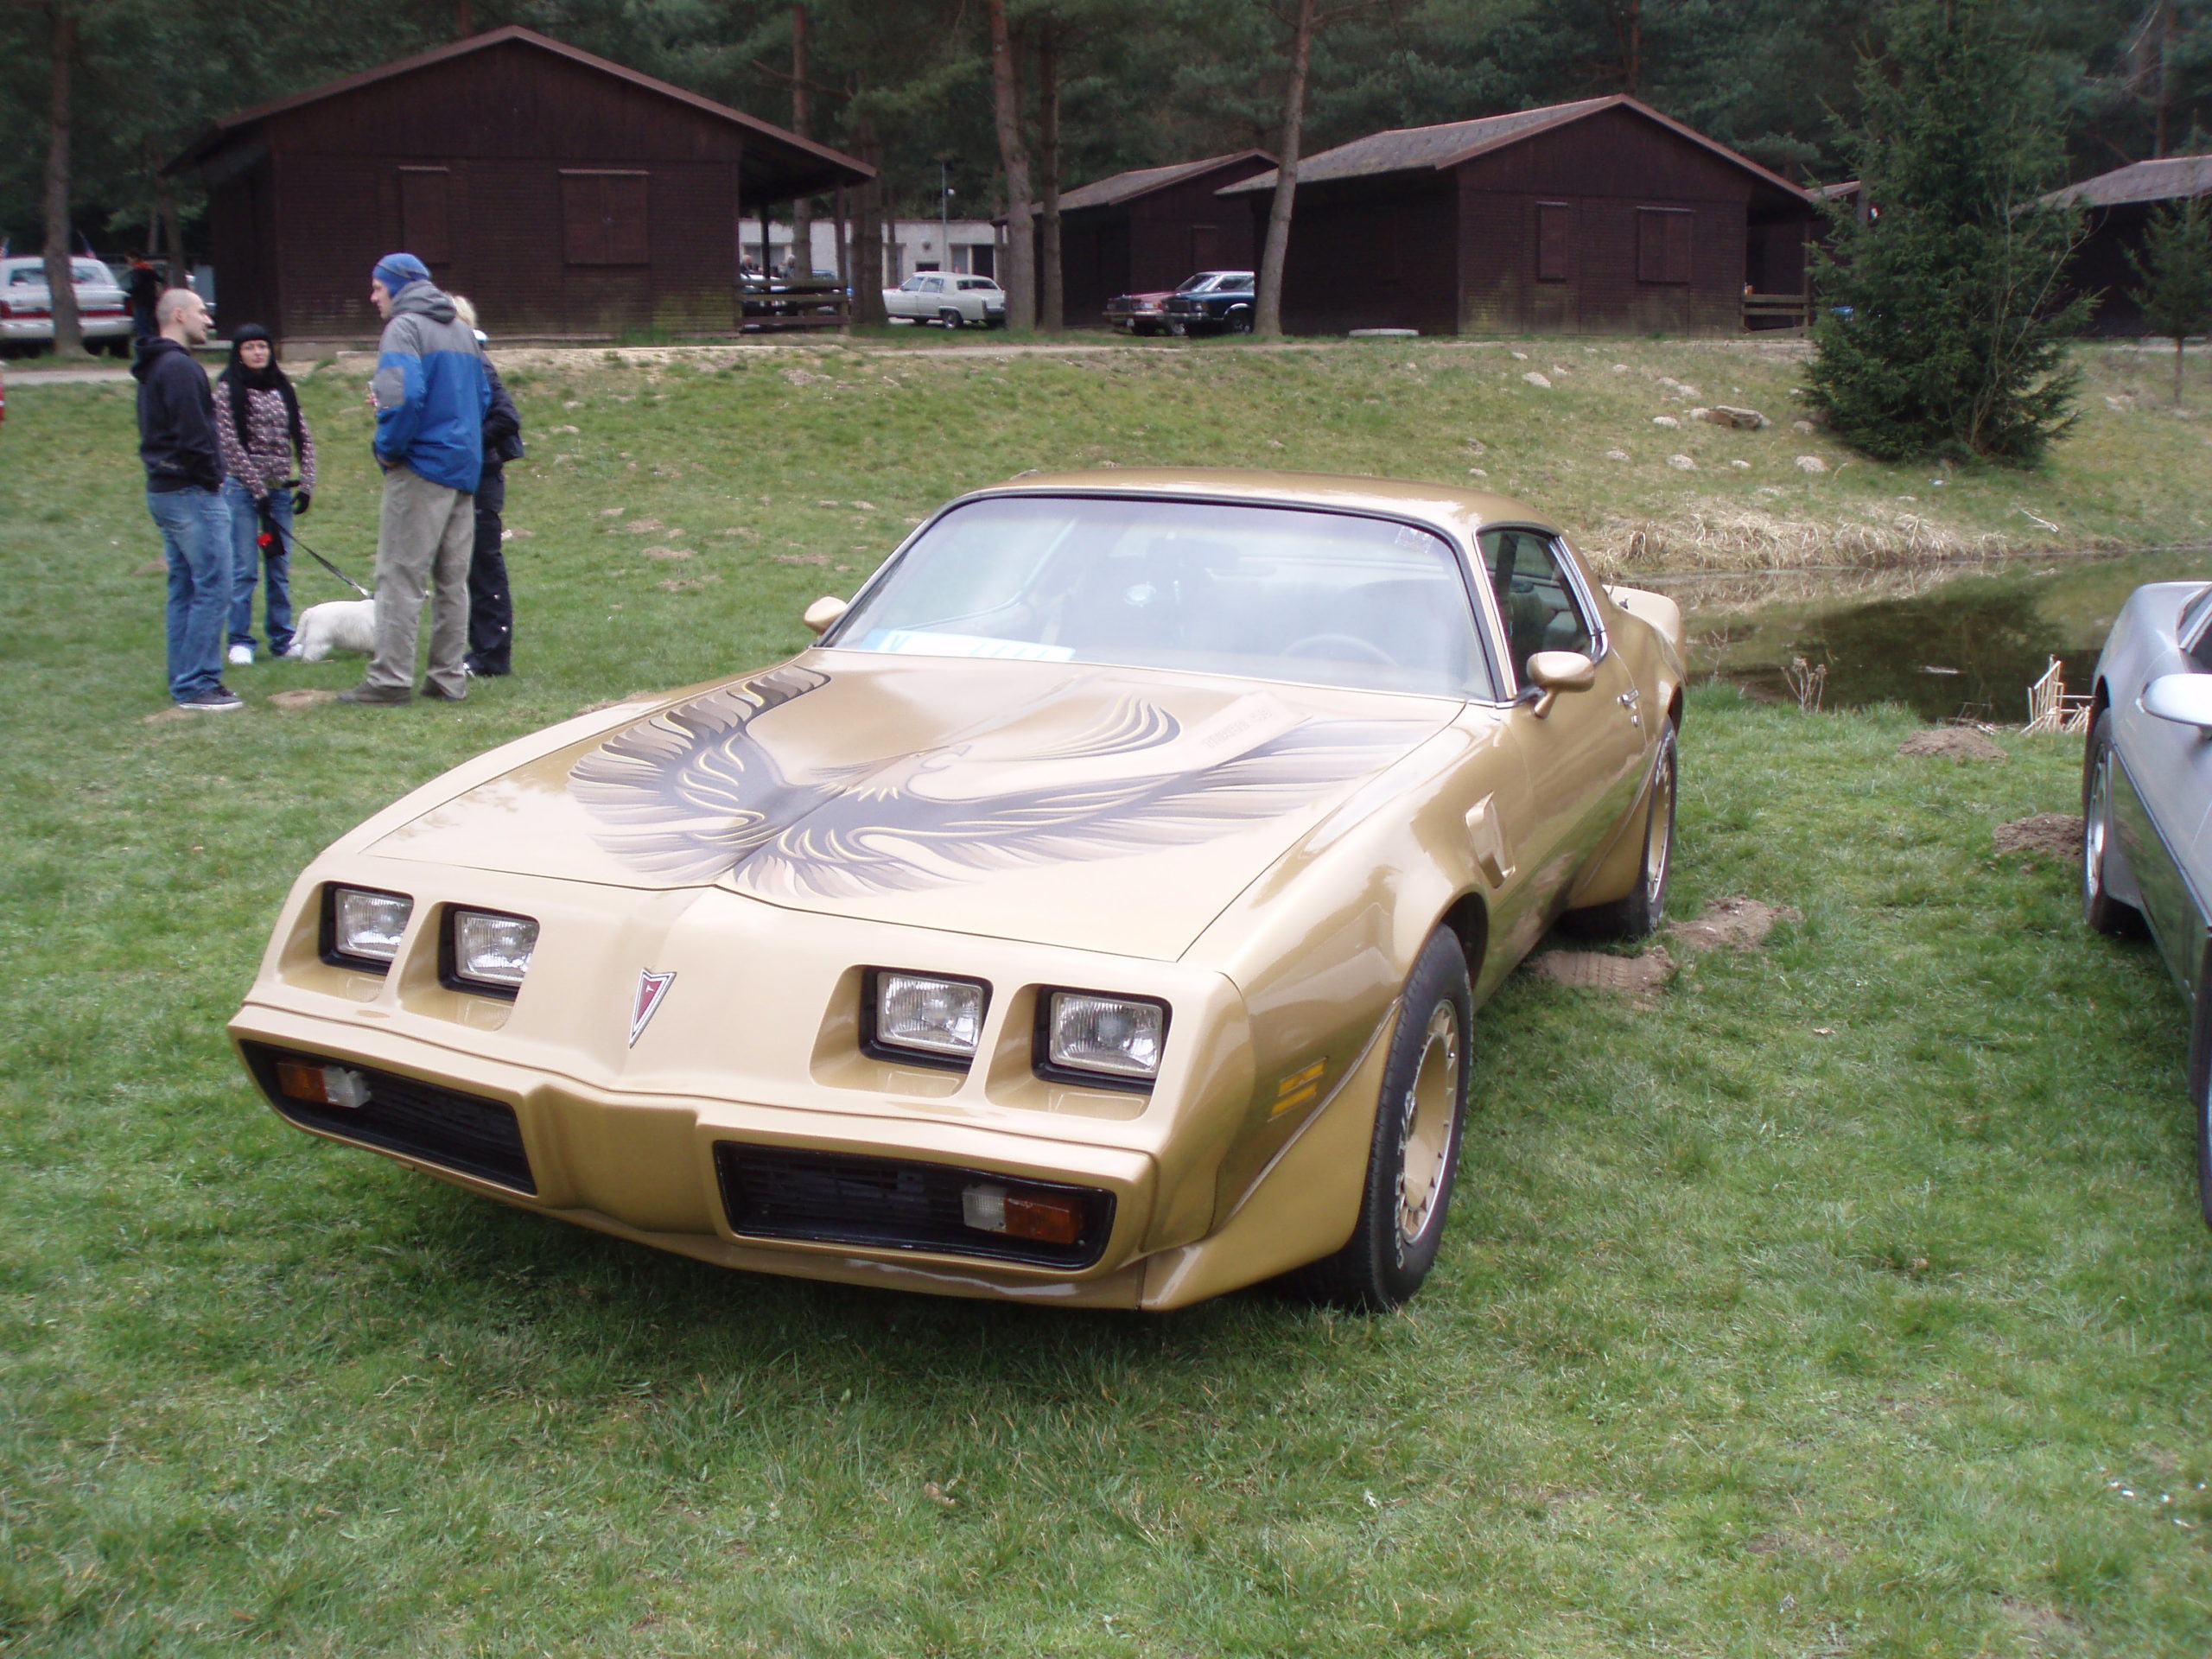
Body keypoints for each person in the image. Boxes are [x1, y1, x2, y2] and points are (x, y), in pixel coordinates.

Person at [340, 252, 489, 707]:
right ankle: (448, 679)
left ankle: (389, 678)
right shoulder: (463, 330)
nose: (372, 297)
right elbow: (483, 397)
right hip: (463, 469)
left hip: (421, 468)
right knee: (453, 582)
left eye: (377, 288)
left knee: (400, 577)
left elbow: (399, 395)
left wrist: (388, 449)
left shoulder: (403, 328)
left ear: (398, 287)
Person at [134, 287, 238, 710]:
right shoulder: (179, 368)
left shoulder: (156, 365)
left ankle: (183, 676)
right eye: (200, 312)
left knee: (185, 586)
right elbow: (193, 434)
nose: (208, 320)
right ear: (177, 315)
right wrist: (213, 477)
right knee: (214, 585)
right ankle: (197, 683)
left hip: (165, 490)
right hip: (189, 491)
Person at [216, 323, 317, 664]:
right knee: (245, 567)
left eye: (262, 346)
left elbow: (301, 434)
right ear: (239, 353)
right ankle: (240, 639)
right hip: (243, 492)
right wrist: (256, 488)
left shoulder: (281, 386)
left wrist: (306, 483)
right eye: (250, 347)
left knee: (278, 564)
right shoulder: (228, 388)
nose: (258, 352)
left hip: (277, 493)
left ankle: (282, 636)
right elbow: (229, 443)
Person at [448, 295, 521, 677]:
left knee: (483, 565)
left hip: (481, 477)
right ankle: (476, 651)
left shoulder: (475, 363)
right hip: (466, 476)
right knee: (467, 567)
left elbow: (507, 418)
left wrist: (463, 445)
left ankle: (492, 655)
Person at [124, 251, 162, 343]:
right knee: (150, 325)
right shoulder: (149, 268)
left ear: (135, 258)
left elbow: (137, 286)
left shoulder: (137, 270)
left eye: (129, 259)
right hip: (151, 301)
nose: (128, 261)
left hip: (140, 301)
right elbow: (160, 279)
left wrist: (127, 291)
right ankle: (152, 343)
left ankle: (144, 345)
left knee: (141, 326)